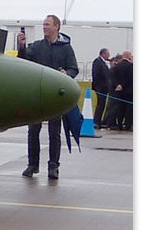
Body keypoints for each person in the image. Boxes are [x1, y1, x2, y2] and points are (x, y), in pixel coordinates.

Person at [16, 15, 78, 180]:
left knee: (54, 133)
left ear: (57, 26)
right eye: (43, 24)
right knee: (33, 131)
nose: (44, 27)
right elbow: (23, 61)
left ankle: (53, 166)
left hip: (56, 97)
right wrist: (21, 46)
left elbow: (74, 69)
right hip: (37, 95)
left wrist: (67, 73)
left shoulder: (66, 48)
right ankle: (32, 165)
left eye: (47, 24)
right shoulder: (37, 47)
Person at [107, 50, 132, 131]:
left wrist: (118, 85)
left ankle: (120, 124)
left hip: (119, 91)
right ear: (128, 55)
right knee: (128, 109)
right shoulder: (130, 66)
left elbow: (113, 77)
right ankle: (128, 125)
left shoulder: (117, 66)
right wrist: (122, 85)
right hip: (128, 91)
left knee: (120, 108)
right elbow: (130, 78)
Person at [92, 47, 113, 129]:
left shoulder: (103, 62)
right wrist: (99, 86)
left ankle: (98, 120)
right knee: (100, 104)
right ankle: (96, 121)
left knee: (102, 104)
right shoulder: (97, 62)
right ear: (103, 54)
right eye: (108, 54)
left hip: (104, 88)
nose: (109, 55)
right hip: (100, 88)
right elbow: (97, 75)